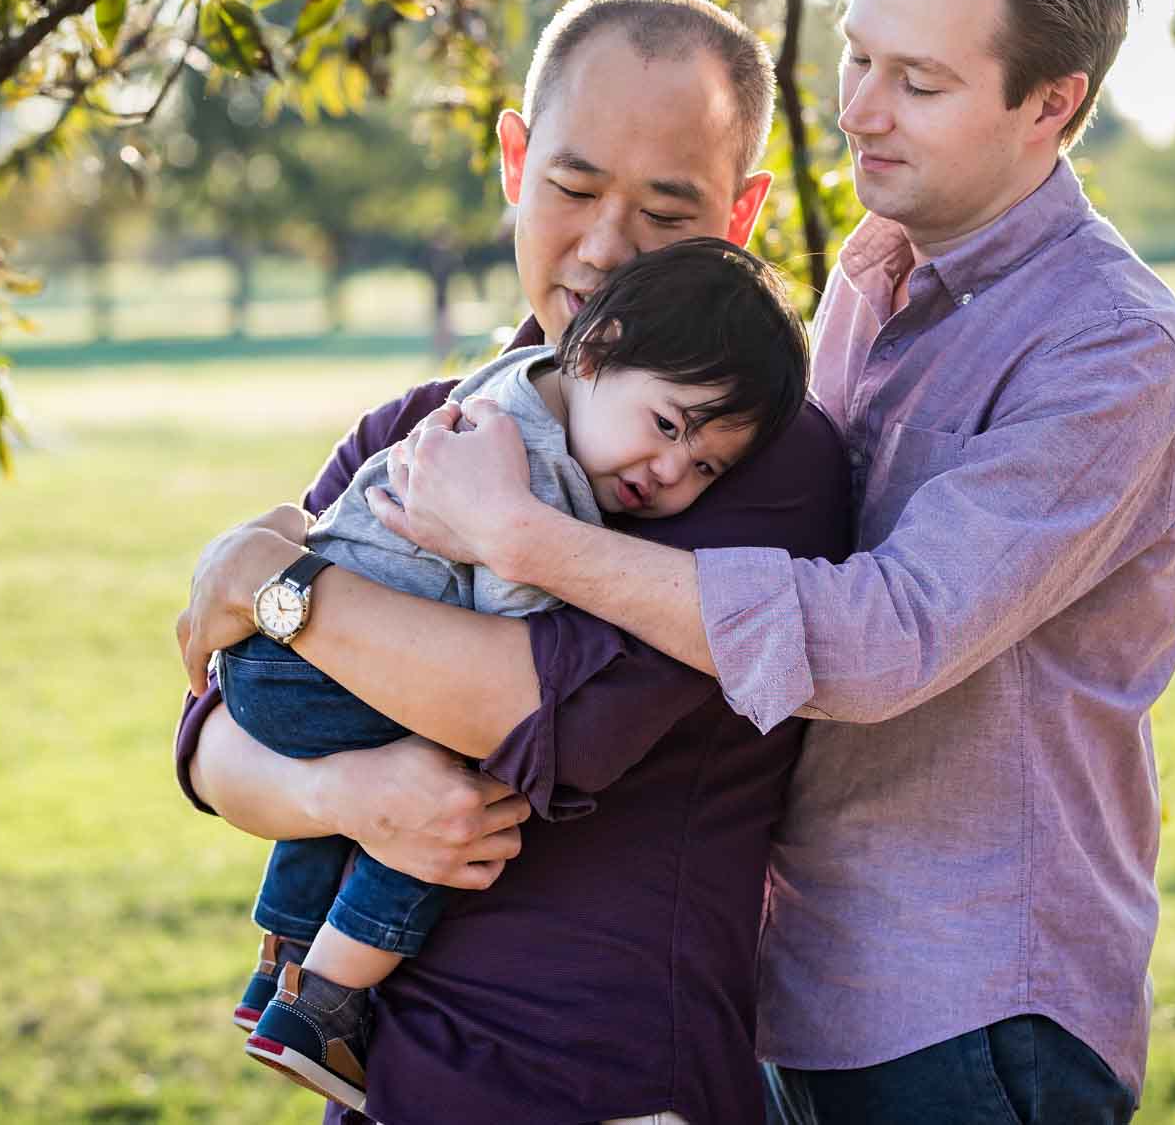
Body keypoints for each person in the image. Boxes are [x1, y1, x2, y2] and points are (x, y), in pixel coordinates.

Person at [368, 0, 1175, 1124]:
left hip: (975, 1014)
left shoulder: (1107, 349)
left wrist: (521, 537)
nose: (862, 110)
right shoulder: (867, 288)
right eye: (860, 57)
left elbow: (883, 638)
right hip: (794, 984)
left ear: (1049, 104)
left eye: (918, 82)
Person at [172, 0, 851, 1125]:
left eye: (666, 211)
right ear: (514, 161)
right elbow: (212, 734)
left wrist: (274, 582)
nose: (602, 249)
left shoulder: (740, 457)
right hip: (383, 1079)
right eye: (573, 187)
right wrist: (345, 790)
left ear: (738, 217)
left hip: (604, 1077)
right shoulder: (421, 424)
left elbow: (542, 716)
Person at [222, 239, 809, 1110]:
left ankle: (283, 956)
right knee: (469, 775)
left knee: (393, 767)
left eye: (706, 465)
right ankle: (327, 1003)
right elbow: (516, 652)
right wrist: (528, 547)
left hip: (275, 658)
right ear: (601, 345)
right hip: (309, 665)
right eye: (669, 425)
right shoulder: (539, 468)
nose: (670, 471)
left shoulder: (515, 383)